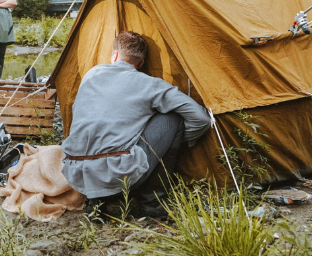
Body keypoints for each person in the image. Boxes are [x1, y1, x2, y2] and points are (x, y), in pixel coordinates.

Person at [61, 31, 212, 218]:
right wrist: (174, 141)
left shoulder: (90, 75)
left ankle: (96, 202)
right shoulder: (149, 83)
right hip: (119, 172)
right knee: (173, 119)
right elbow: (201, 118)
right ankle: (153, 204)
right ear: (140, 64)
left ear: (114, 55)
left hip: (75, 172)